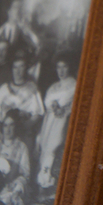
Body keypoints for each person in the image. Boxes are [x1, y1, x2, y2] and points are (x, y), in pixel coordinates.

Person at [36, 59, 76, 189]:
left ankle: (48, 179)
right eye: (59, 67)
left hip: (62, 120)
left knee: (54, 146)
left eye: (64, 67)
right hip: (49, 120)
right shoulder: (54, 86)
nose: (61, 71)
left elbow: (67, 100)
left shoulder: (73, 84)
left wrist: (58, 105)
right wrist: (54, 104)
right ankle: (42, 180)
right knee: (44, 145)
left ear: (69, 67)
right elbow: (47, 101)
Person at [0, 55, 44, 129]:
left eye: (21, 67)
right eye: (15, 67)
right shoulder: (4, 88)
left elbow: (38, 113)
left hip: (25, 128)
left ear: (26, 68)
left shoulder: (32, 88)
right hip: (5, 129)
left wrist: (24, 127)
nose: (18, 71)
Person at [0, 110, 30, 205]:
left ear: (16, 126)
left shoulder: (21, 147)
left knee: (9, 203)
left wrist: (17, 188)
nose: (7, 129)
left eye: (11, 125)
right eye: (5, 125)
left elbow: (25, 175)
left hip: (10, 187)